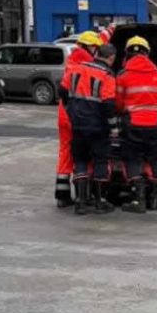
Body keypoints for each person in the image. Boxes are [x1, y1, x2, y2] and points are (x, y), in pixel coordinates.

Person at [55, 27, 112, 207]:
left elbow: (62, 91)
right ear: (92, 48)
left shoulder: (73, 60)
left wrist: (110, 29)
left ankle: (63, 194)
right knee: (88, 156)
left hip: (66, 114)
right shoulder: (90, 65)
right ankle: (89, 195)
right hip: (84, 116)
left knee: (67, 153)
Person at [116, 35, 157, 213]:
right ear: (147, 53)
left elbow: (118, 103)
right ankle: (156, 196)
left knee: (132, 159)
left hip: (132, 124)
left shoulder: (123, 75)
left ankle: (138, 199)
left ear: (128, 54)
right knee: (154, 158)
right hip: (153, 124)